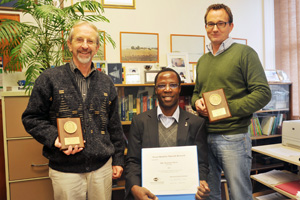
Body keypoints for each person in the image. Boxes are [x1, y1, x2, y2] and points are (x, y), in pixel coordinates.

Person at [22, 21, 125, 200]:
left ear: (97, 47)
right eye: (79, 40)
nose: (85, 46)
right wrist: (56, 138)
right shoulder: (49, 79)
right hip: (65, 171)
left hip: (102, 169)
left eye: (90, 41)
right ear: (69, 44)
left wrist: (118, 160)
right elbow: (31, 118)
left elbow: (114, 125)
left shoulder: (106, 82)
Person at [192, 4, 272, 200]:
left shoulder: (245, 53)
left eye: (221, 23)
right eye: (210, 24)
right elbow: (196, 93)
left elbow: (263, 93)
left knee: (239, 195)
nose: (215, 28)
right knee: (208, 195)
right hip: (205, 137)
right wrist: (197, 103)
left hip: (234, 138)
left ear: (231, 26)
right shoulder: (203, 60)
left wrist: (225, 109)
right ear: (205, 27)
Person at [125, 68, 210, 200]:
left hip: (185, 194)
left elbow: (202, 163)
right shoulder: (139, 121)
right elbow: (133, 162)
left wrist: (201, 182)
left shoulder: (196, 123)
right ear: (156, 89)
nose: (167, 89)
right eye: (162, 85)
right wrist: (135, 188)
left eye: (173, 85)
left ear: (180, 89)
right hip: (149, 195)